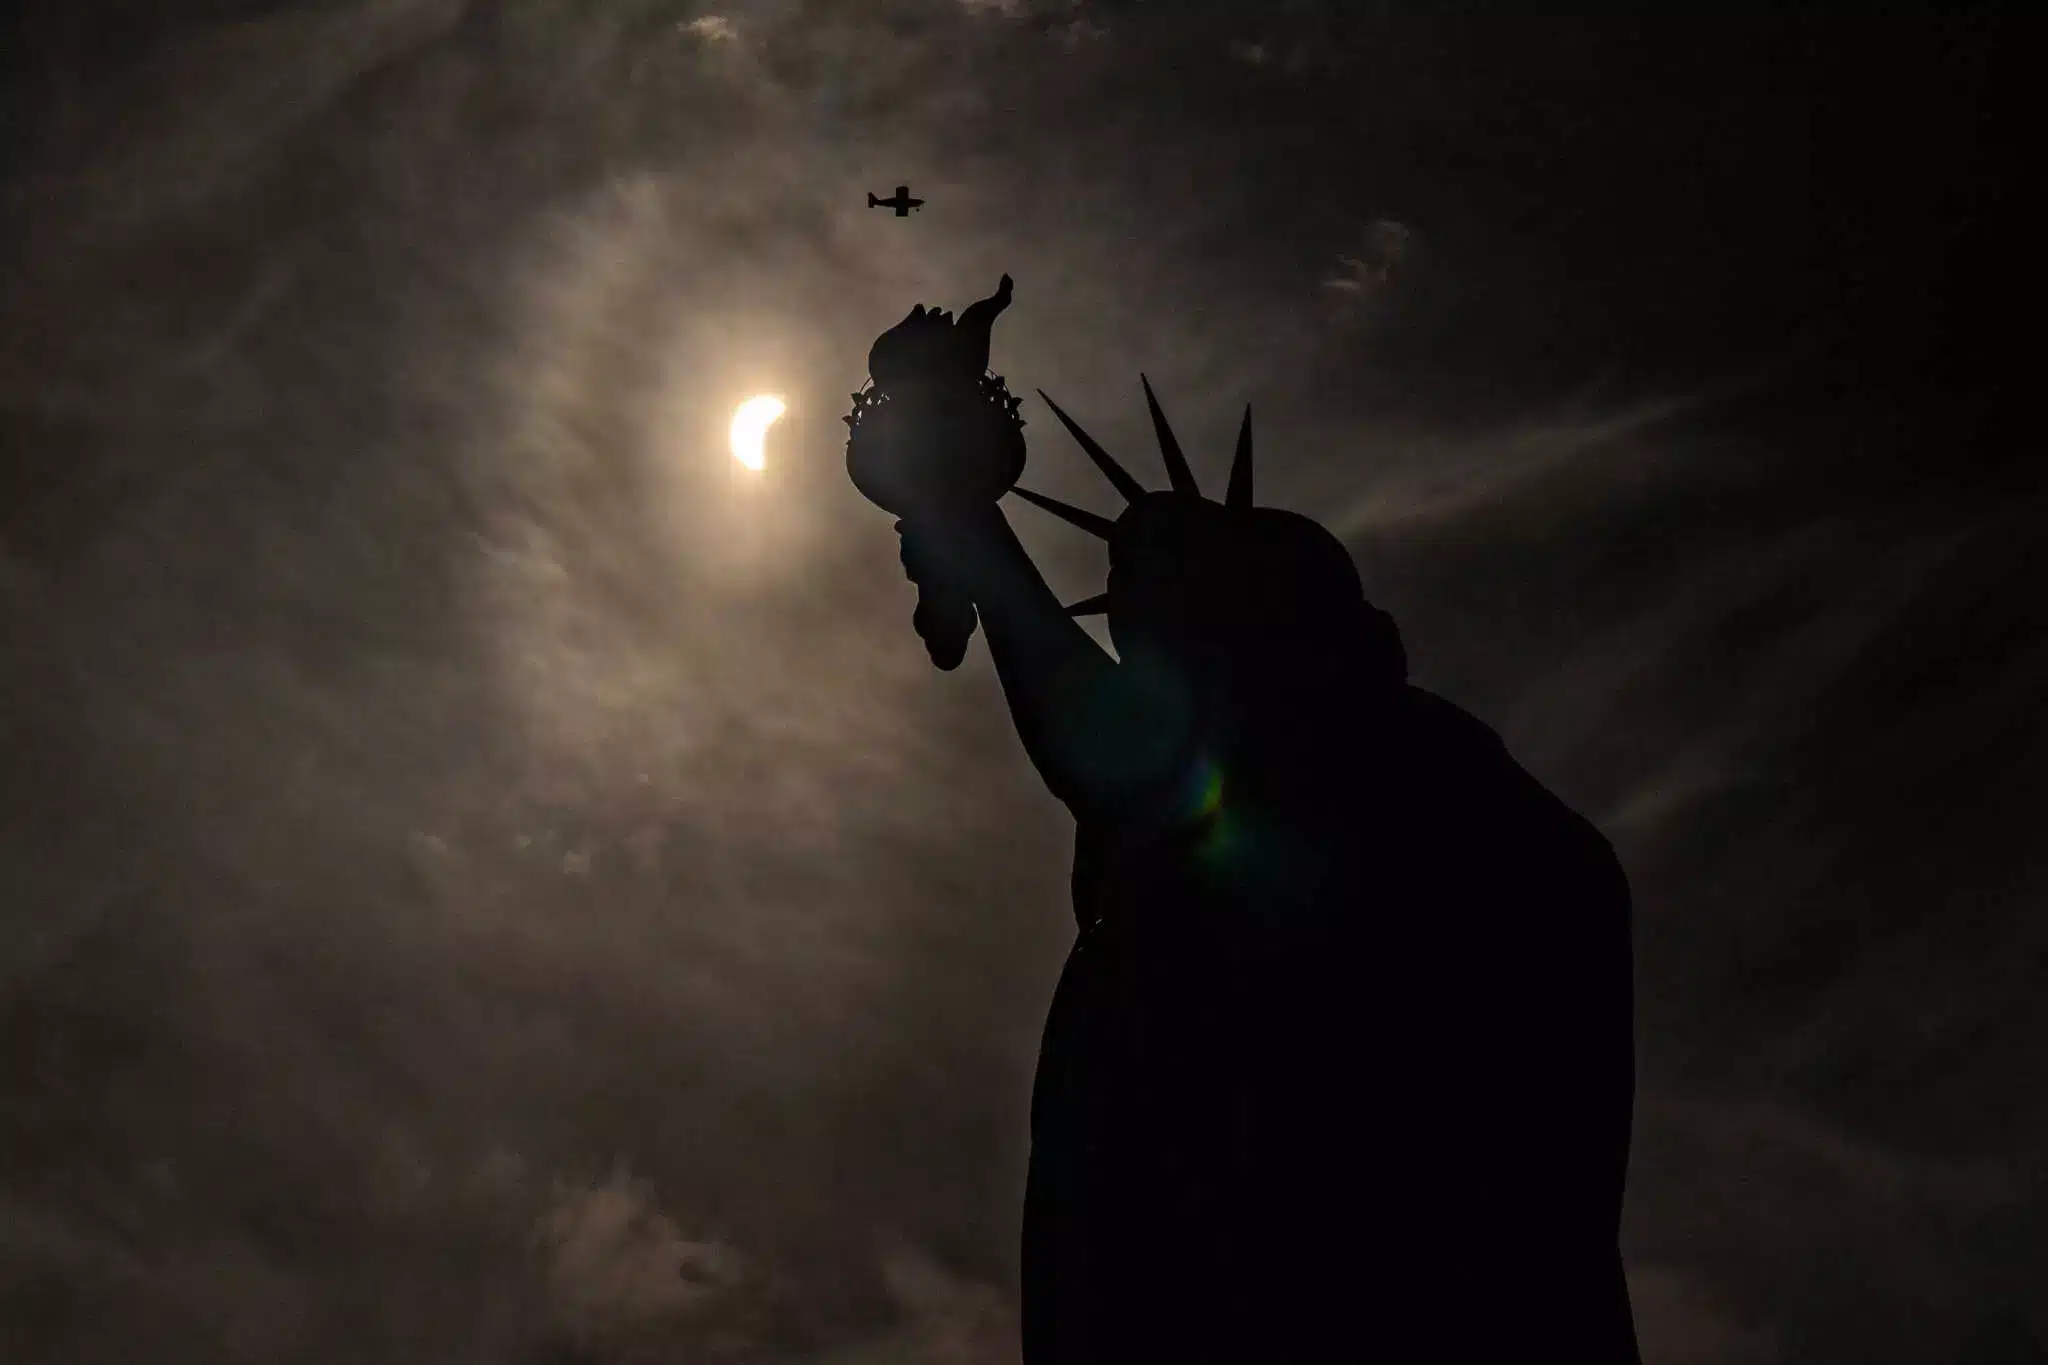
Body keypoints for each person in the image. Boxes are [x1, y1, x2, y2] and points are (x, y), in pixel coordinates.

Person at [859, 278, 1641, 1362]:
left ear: (1265, 620)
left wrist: (968, 526)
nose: (1138, 660)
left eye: (1154, 618)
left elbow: (1113, 751)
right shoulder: (1433, 789)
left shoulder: (1361, 774)